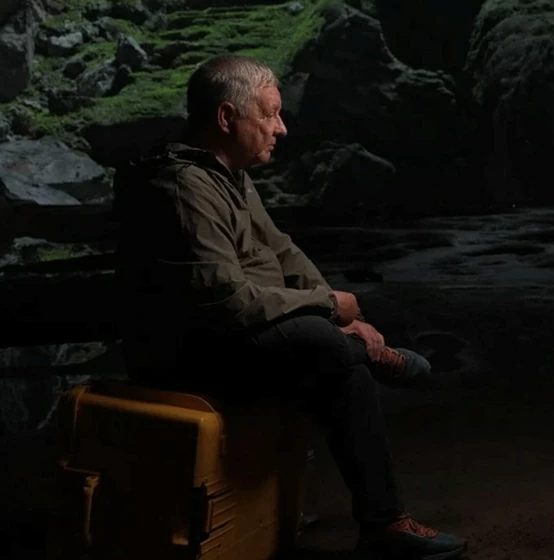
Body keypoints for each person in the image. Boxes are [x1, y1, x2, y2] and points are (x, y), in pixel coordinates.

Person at [112, 54, 466, 559]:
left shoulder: (229, 176)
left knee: (343, 366)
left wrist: (351, 317)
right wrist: (327, 308)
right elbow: (229, 302)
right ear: (226, 118)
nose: (281, 128)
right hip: (190, 353)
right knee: (325, 345)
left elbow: (282, 250)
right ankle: (365, 374)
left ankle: (383, 523)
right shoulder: (183, 190)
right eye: (270, 114)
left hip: (238, 335)